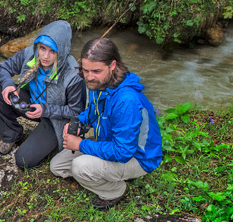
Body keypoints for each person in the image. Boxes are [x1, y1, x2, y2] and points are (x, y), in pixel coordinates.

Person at [50, 37, 163, 210]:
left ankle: (116, 191)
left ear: (112, 65)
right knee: (57, 166)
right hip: (108, 142)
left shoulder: (126, 100)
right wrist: (79, 122)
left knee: (80, 167)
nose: (89, 77)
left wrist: (81, 144)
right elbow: (93, 110)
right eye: (85, 70)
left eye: (96, 71)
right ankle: (102, 174)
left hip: (138, 157)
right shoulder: (101, 84)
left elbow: (123, 152)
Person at [0, 20, 85, 169]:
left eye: (52, 51)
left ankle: (47, 139)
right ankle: (11, 135)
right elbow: (3, 68)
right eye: (42, 48)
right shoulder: (28, 53)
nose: (45, 56)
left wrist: (45, 109)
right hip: (31, 106)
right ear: (37, 46)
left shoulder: (73, 75)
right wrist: (8, 85)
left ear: (61, 51)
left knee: (23, 161)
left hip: (54, 119)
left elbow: (76, 111)